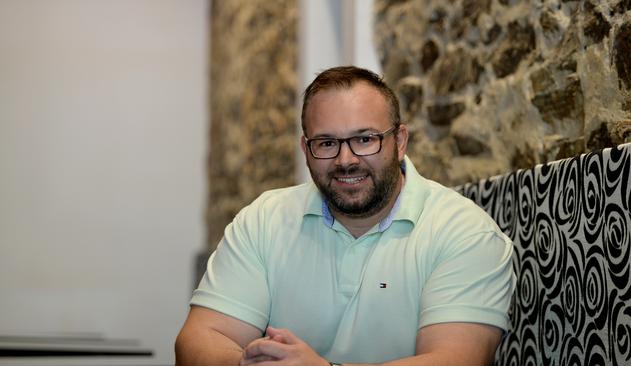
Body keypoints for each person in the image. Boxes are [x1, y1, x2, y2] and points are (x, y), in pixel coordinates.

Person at [175, 66, 515, 366]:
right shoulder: (264, 220)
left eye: (365, 139)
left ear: (399, 141)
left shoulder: (464, 232)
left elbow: (456, 360)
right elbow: (198, 339)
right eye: (326, 143)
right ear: (306, 150)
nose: (346, 160)